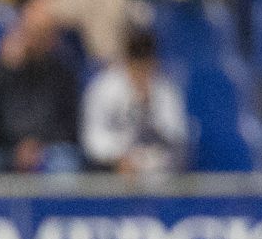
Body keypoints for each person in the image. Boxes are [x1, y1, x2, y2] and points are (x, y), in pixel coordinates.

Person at [0, 0, 82, 174]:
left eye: (44, 33)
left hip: (46, 147)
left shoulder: (62, 71)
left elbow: (68, 124)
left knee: (65, 167)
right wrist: (5, 68)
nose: (37, 39)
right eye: (32, 31)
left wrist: (37, 144)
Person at [81, 29, 188, 174]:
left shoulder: (165, 91)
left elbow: (178, 137)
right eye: (136, 65)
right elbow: (92, 140)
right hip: (111, 170)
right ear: (126, 61)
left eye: (146, 65)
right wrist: (118, 157)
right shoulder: (104, 88)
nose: (141, 72)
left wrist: (149, 106)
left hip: (158, 172)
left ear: (154, 62)